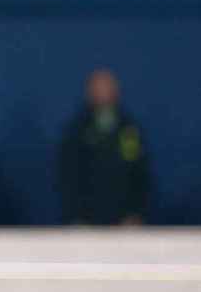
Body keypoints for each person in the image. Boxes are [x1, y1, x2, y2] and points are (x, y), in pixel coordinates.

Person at [59, 68, 149, 226]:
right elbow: (69, 175)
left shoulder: (127, 131)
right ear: (89, 92)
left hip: (123, 219)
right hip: (85, 219)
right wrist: (76, 215)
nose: (102, 93)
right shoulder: (78, 131)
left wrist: (135, 212)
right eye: (98, 88)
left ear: (116, 91)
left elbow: (137, 170)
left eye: (107, 88)